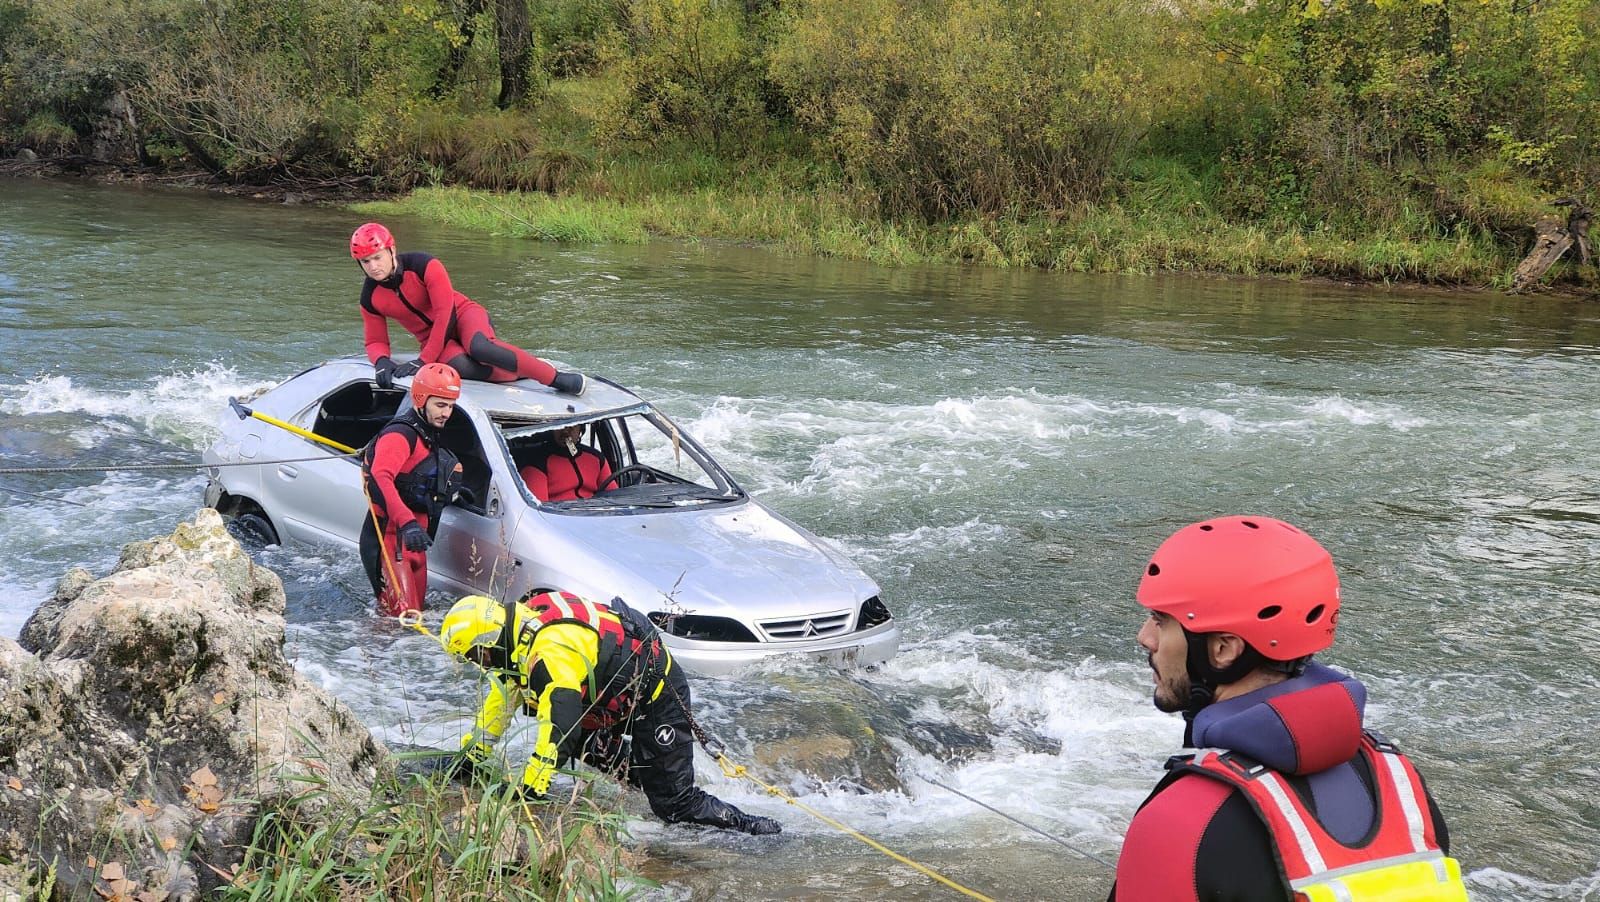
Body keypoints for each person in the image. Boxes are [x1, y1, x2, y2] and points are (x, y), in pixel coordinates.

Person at [1110, 516, 1467, 901]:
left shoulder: (1181, 820)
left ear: (1223, 649)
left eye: (1161, 621)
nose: (1144, 637)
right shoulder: (1402, 785)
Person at [438, 590, 782, 835]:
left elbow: (562, 725)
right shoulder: (522, 630)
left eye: (475, 656)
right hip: (619, 693)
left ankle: (753, 826)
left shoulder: (548, 651)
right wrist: (471, 756)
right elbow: (503, 698)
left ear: (490, 640)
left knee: (674, 807)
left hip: (658, 693)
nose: (477, 664)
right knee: (624, 765)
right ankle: (657, 772)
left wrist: (531, 787)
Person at [349, 222, 588, 395]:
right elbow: (374, 341)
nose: (373, 266)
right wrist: (381, 361)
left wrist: (423, 360)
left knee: (480, 348)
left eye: (377, 257)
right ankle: (521, 371)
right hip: (432, 338)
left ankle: (553, 377)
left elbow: (445, 313)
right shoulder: (370, 297)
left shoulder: (424, 265)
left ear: (392, 251)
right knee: (459, 366)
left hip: (463, 314)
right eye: (365, 261)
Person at [359, 362, 464, 617]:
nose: (446, 413)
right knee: (399, 624)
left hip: (416, 545)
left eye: (450, 406)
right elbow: (379, 478)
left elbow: (422, 472)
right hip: (390, 543)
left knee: (417, 620)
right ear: (420, 399)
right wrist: (407, 523)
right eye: (440, 405)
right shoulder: (400, 435)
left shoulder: (429, 432)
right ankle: (364, 655)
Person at [520, 424, 612, 502]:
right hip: (559, 519)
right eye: (561, 426)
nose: (565, 431)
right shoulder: (537, 462)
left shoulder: (596, 458)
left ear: (581, 429)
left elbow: (614, 496)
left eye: (572, 426)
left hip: (598, 515)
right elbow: (539, 510)